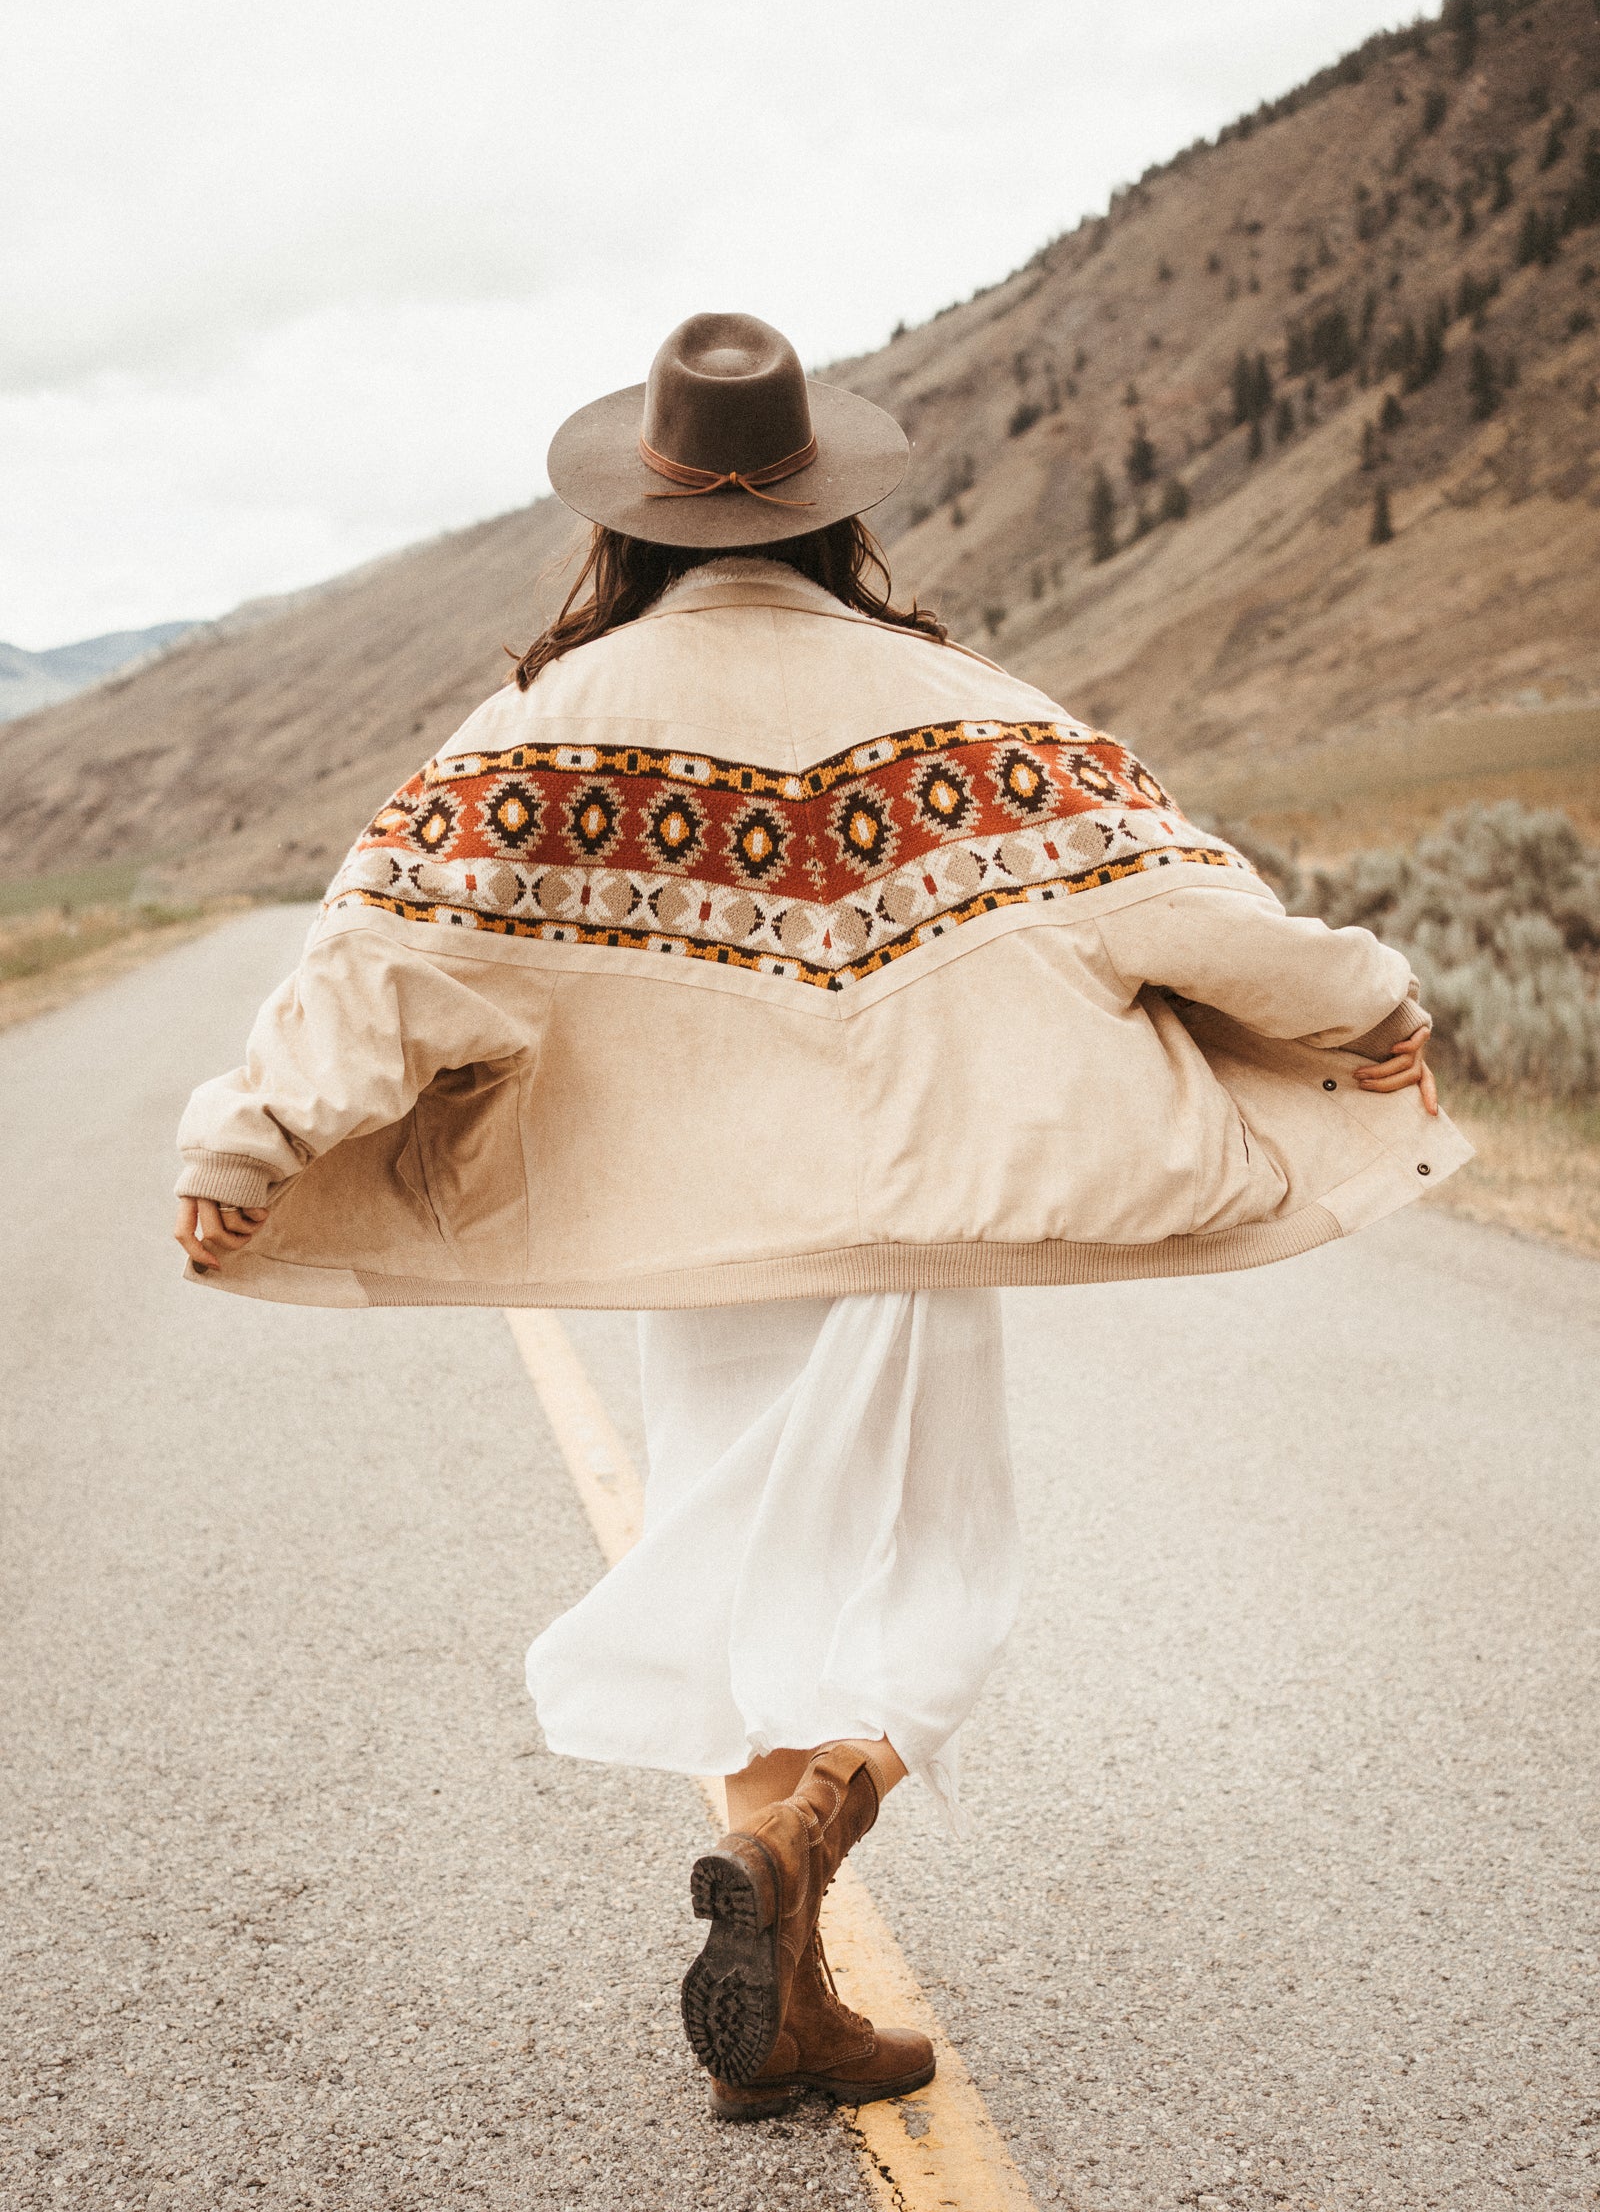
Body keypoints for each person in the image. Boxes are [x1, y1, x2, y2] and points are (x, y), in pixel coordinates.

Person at [174, 311, 1465, 2121]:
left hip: (693, 1255)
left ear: (629, 516)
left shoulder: (544, 724)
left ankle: (790, 1994)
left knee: (737, 1582)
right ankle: (801, 1849)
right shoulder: (971, 710)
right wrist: (1369, 1008)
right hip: (919, 1230)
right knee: (927, 1580)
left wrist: (241, 1151)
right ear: (831, 509)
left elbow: (379, 966)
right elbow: (1197, 913)